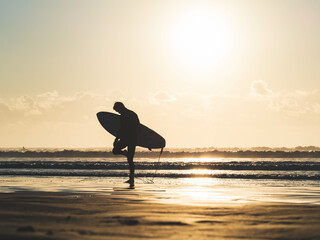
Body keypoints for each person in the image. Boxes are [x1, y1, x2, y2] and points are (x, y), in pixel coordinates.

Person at [112, 102, 140, 186]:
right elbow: (137, 127)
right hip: (130, 138)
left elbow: (124, 129)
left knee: (130, 160)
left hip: (130, 139)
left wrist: (116, 139)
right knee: (115, 151)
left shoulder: (127, 115)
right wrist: (116, 139)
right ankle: (125, 153)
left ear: (120, 108)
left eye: (117, 110)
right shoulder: (132, 114)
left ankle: (131, 179)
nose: (118, 112)